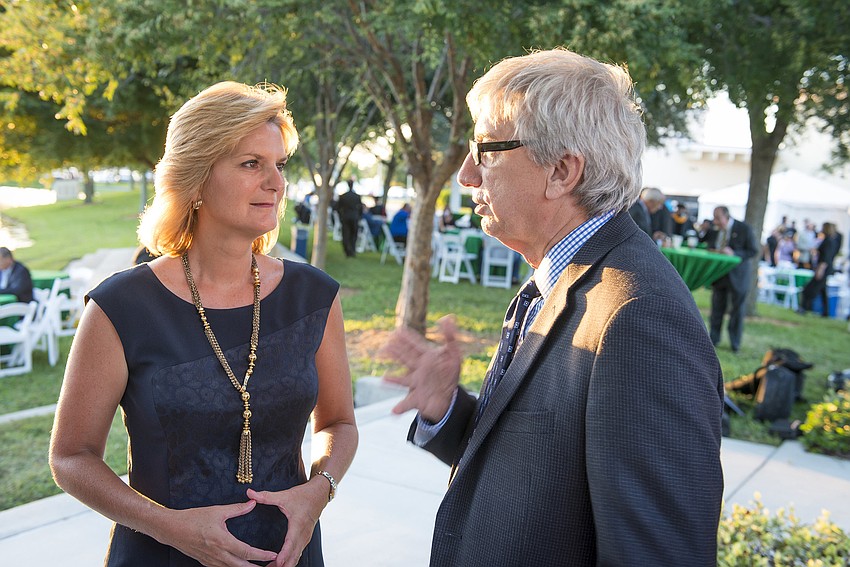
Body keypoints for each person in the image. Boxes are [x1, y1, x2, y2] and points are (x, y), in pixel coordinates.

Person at [379, 48, 723, 566]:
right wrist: (447, 409)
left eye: (486, 149)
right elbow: (541, 476)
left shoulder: (638, 318)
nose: (467, 174)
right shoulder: (567, 278)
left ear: (562, 171)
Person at [49, 81, 358, 567]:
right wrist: (171, 528)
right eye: (250, 164)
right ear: (195, 180)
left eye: (280, 164)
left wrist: (320, 489)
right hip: (161, 555)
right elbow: (70, 457)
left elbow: (338, 422)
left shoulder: (315, 297)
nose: (276, 182)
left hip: (288, 555)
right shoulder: (120, 307)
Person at [704, 206, 760, 353]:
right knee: (717, 308)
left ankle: (735, 343)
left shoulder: (743, 228)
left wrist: (734, 253)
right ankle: (713, 340)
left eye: (718, 218)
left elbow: (753, 250)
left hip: (738, 276)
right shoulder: (714, 230)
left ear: (726, 216)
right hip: (720, 275)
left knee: (737, 310)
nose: (715, 221)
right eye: (714, 218)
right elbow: (707, 244)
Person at [799, 222, 843, 317]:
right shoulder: (831, 240)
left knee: (810, 289)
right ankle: (826, 312)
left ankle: (804, 308)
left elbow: (825, 258)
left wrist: (820, 269)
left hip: (824, 268)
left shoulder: (828, 241)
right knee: (823, 291)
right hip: (826, 268)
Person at [337, 178, 363, 258]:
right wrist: (359, 216)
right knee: (353, 234)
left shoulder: (343, 196)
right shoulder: (357, 196)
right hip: (354, 217)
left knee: (346, 234)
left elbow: (338, 207)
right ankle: (352, 250)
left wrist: (341, 216)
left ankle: (348, 251)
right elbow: (360, 208)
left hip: (346, 217)